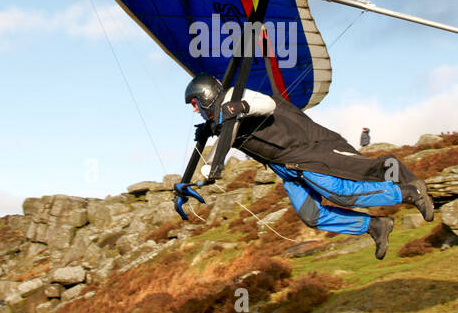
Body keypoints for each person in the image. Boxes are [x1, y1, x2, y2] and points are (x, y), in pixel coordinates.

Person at [178, 73, 433, 260]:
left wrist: (241, 107)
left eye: (195, 102)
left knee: (342, 194)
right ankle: (375, 226)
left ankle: (409, 192)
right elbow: (225, 140)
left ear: (206, 95)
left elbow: (267, 104)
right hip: (285, 169)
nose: (194, 109)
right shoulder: (224, 120)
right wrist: (202, 172)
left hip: (303, 152)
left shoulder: (236, 96)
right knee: (312, 215)